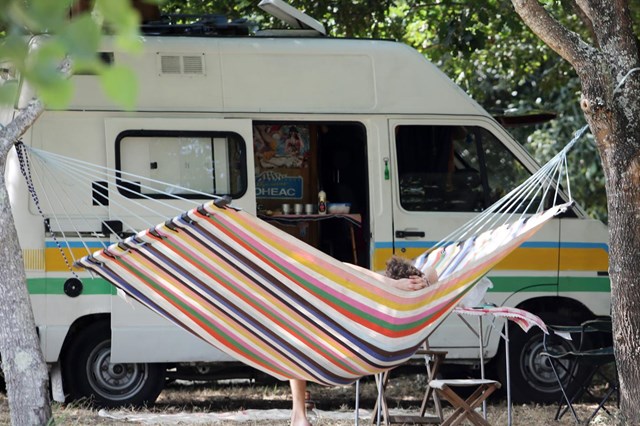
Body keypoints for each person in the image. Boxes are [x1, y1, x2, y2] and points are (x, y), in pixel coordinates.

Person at [289, 256, 438, 425]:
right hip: (372, 352)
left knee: (298, 334)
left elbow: (343, 267)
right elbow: (433, 271)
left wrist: (391, 285)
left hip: (352, 350)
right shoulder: (416, 299)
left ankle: (299, 415)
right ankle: (298, 416)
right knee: (299, 332)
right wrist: (424, 281)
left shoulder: (378, 293)